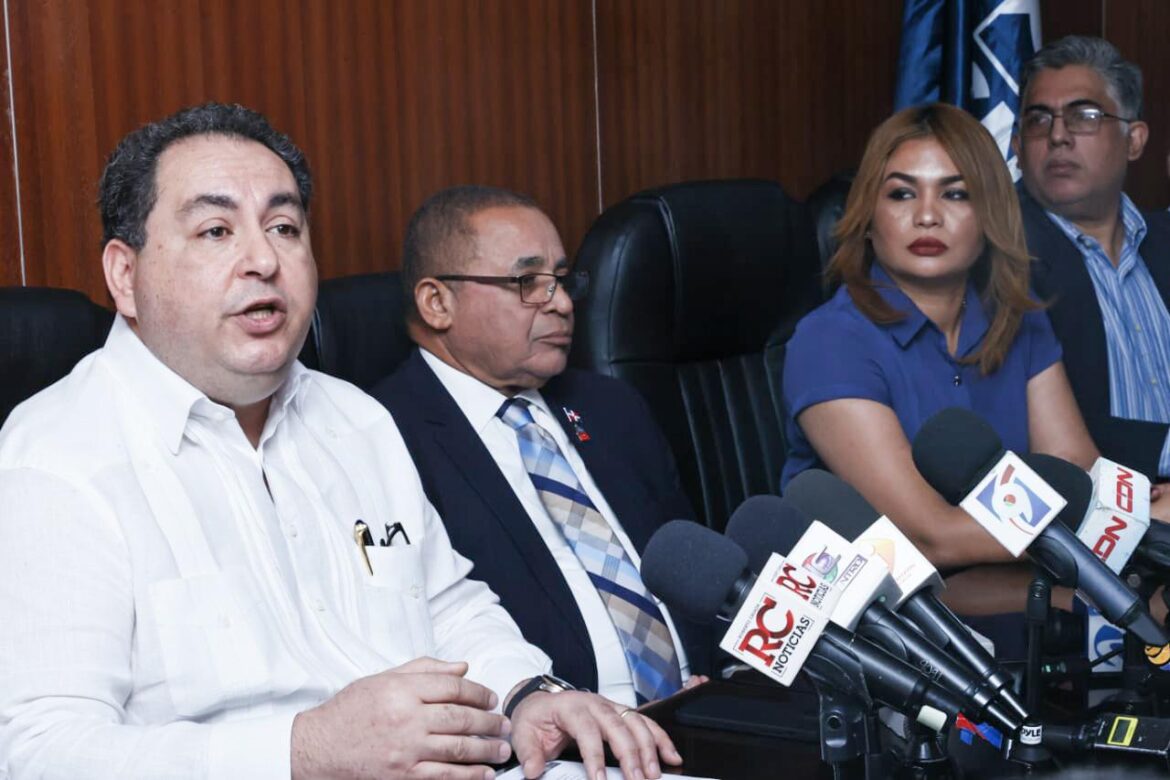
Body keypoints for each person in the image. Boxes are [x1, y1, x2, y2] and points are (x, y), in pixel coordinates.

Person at [0, 104, 681, 780]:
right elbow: (38, 753)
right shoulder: (58, 457)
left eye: (284, 228)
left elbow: (448, 606)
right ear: (125, 275)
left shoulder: (356, 419)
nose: (263, 259)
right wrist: (302, 753)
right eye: (215, 231)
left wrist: (527, 694)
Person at [370, 185, 710, 706]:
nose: (564, 304)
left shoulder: (611, 406)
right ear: (438, 303)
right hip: (549, 729)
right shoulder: (381, 438)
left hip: (701, 705)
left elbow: (691, 570)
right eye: (528, 282)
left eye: (562, 280)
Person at [780, 103, 1099, 618]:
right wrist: (1115, 530)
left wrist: (1125, 519)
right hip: (888, 623)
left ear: (990, 215)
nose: (927, 215)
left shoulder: (1018, 320)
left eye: (956, 193)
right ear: (867, 217)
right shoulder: (829, 341)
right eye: (901, 194)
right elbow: (929, 536)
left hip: (1023, 589)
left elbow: (1078, 472)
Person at [1013, 36, 1170, 493]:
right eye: (1039, 119)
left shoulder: (1164, 239)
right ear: (1017, 145)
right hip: (1096, 506)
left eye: (1084, 116)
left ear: (1134, 140)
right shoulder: (998, 256)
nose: (1058, 136)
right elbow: (1038, 428)